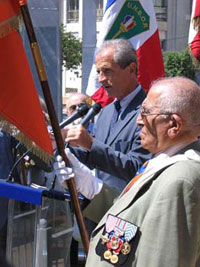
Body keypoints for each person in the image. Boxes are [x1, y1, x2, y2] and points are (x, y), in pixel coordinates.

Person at [54, 76, 200, 267]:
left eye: (146, 112)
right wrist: (92, 187)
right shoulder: (165, 162)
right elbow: (136, 221)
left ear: (173, 125)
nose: (139, 120)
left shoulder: (180, 180)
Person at [63, 39, 151, 193]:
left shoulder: (150, 112)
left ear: (131, 69)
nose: (101, 79)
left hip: (126, 209)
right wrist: (62, 146)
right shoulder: (105, 111)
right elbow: (94, 159)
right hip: (97, 206)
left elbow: (138, 168)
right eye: (98, 72)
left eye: (107, 71)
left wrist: (90, 143)